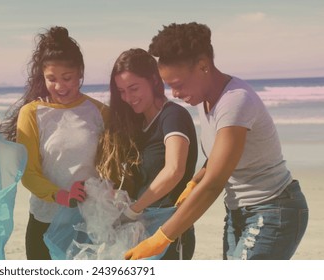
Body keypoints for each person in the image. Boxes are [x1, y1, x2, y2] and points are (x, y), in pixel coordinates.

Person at [125, 22, 309, 260]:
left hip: (273, 210)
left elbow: (214, 184)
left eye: (177, 84)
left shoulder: (235, 102)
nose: (175, 94)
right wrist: (194, 181)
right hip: (237, 211)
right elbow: (219, 155)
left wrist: (161, 239)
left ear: (203, 66)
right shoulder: (206, 99)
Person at [0, 26, 108, 260]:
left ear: (80, 73)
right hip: (44, 221)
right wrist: (61, 195)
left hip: (86, 224)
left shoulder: (99, 112)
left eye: (67, 78)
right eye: (51, 79)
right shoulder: (32, 113)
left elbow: (113, 167)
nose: (60, 86)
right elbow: (28, 173)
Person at [95, 48, 198, 259]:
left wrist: (133, 210)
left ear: (153, 80)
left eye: (133, 88)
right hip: (145, 229)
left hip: (170, 232)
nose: (127, 97)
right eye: (121, 91)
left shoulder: (173, 116)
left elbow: (174, 170)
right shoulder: (139, 124)